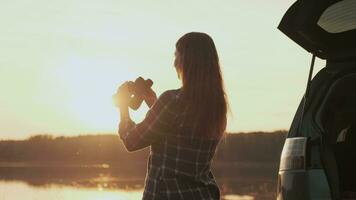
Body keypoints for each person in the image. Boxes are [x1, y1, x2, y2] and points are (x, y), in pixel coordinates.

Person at [115, 32, 228, 200]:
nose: (174, 63)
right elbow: (177, 132)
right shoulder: (217, 106)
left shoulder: (172, 101)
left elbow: (132, 140)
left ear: (188, 61)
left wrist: (123, 106)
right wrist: (154, 102)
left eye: (177, 56)